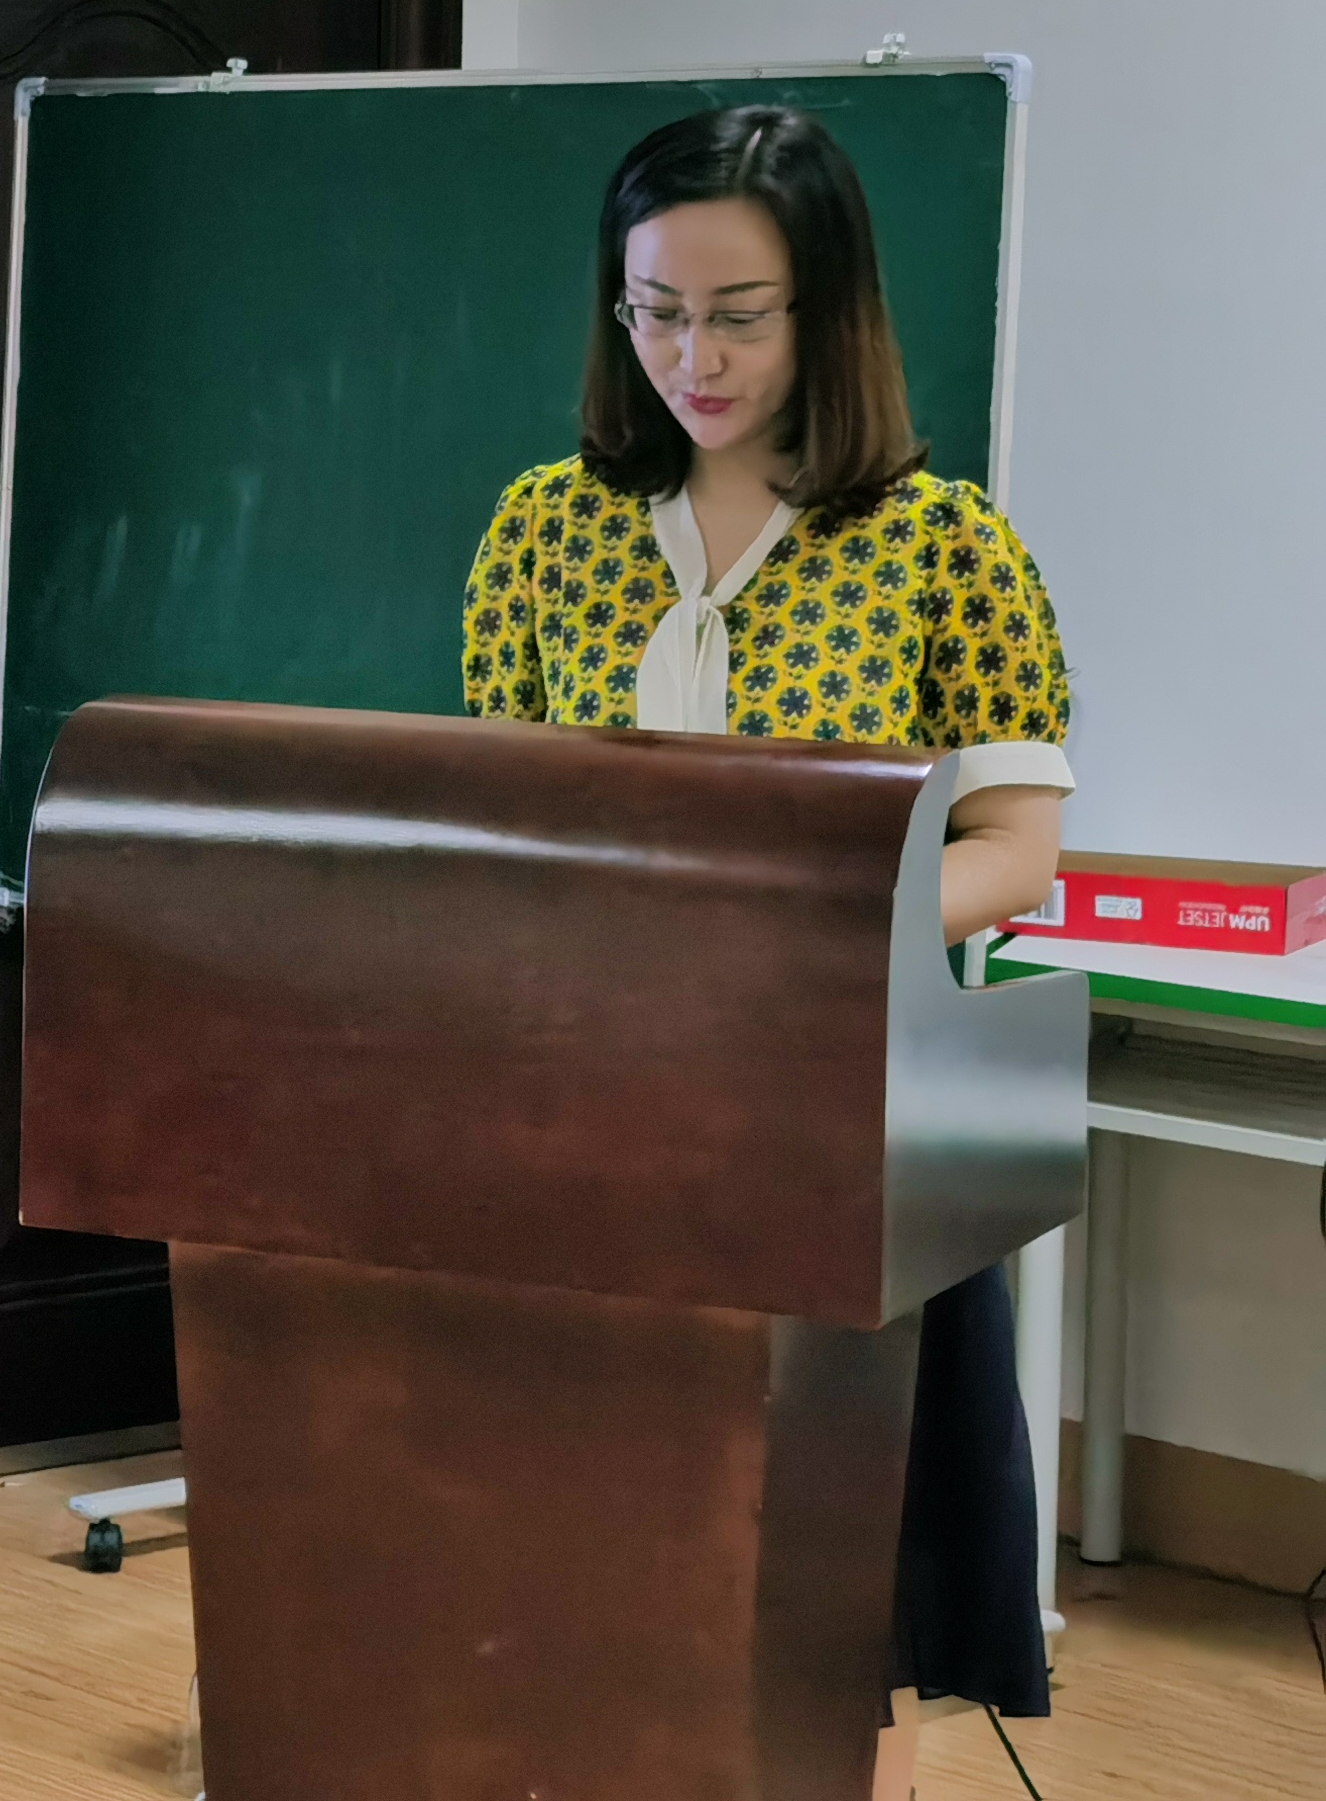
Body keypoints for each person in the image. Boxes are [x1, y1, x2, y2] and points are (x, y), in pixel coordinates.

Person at [459, 104, 1072, 1798]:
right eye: (656, 312)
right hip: (593, 1112)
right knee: (596, 1534)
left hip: (840, 1123)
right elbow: (503, 819)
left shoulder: (947, 547)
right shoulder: (544, 528)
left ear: (828, 309)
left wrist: (799, 933)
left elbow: (1015, 855)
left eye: (740, 315)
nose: (695, 358)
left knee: (824, 1580)